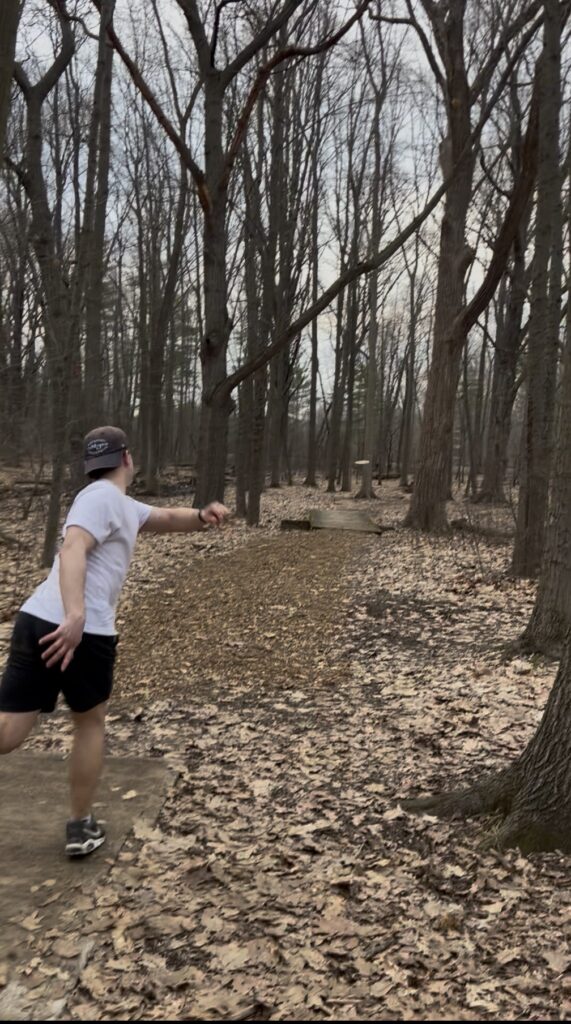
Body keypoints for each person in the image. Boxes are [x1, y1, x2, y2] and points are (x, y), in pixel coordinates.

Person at [0, 426, 229, 857]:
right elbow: (72, 549)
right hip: (78, 629)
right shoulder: (101, 499)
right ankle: (80, 825)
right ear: (127, 459)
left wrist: (201, 516)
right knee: (89, 723)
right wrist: (75, 615)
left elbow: (162, 518)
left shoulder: (117, 504)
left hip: (37, 619)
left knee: (10, 730)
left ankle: (81, 825)